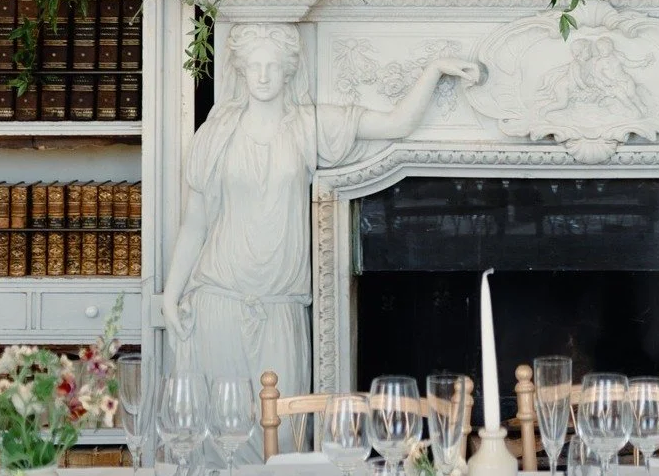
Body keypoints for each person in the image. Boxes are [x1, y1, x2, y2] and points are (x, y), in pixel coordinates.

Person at [162, 22, 479, 412]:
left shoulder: (309, 125)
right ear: (241, 70)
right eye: (254, 66)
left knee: (285, 430)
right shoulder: (214, 135)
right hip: (218, 297)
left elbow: (397, 124)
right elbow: (195, 223)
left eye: (272, 66)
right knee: (224, 427)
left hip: (281, 305)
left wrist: (433, 70)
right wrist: (171, 295)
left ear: (288, 70)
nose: (262, 75)